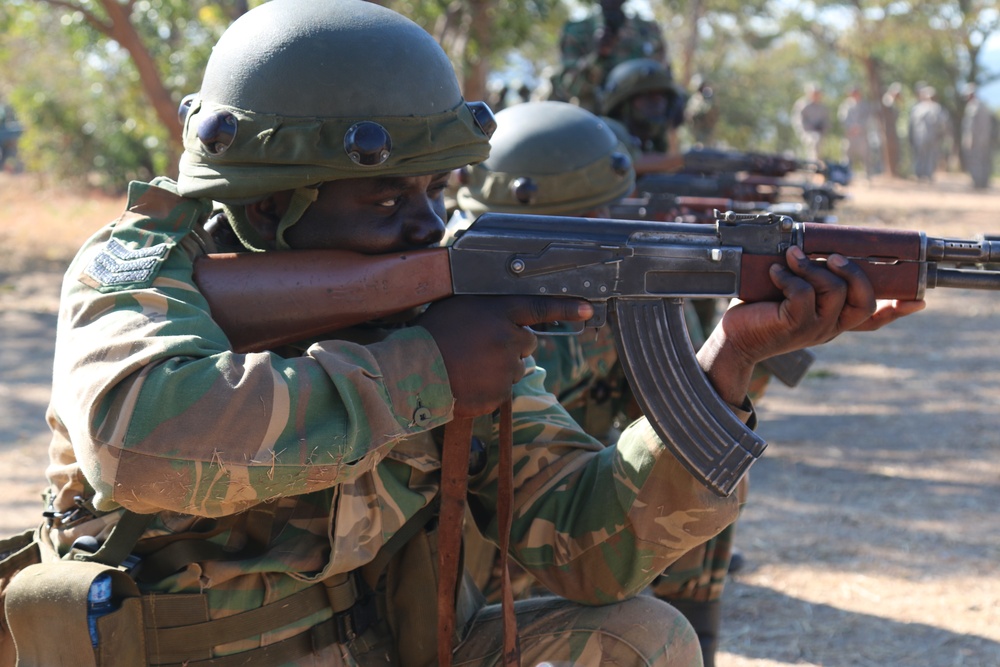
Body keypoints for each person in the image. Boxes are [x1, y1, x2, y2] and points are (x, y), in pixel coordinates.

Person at [1, 1, 923, 665]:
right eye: (387, 196)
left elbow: (590, 541)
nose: (423, 225)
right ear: (266, 201)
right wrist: (422, 371)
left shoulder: (427, 302)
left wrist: (728, 361)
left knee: (638, 638)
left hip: (373, 643)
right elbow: (140, 440)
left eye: (434, 192)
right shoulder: (143, 267)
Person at [453, 99, 749, 667]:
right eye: (594, 219)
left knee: (701, 454)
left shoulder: (615, 293)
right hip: (483, 552)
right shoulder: (459, 316)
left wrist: (731, 354)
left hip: (560, 508)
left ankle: (703, 629)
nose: (611, 229)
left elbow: (672, 428)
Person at [549, 0, 670, 115]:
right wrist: (598, 56)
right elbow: (569, 87)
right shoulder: (577, 32)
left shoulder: (649, 31)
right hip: (594, 121)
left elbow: (664, 79)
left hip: (641, 124)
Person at [602, 57, 688, 169]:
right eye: (648, 95)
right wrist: (685, 159)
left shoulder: (653, 141)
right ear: (624, 102)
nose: (658, 102)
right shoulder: (608, 129)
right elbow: (630, 163)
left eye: (661, 96)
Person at [908, 85, 949, 182]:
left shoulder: (917, 108)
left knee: (919, 156)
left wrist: (911, 137)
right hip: (933, 138)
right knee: (930, 157)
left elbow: (911, 125)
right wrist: (942, 135)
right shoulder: (937, 108)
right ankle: (928, 175)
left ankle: (919, 175)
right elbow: (944, 124)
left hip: (919, 137)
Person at [960, 83, 995, 190]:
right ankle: (984, 183)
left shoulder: (972, 106)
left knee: (975, 161)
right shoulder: (984, 105)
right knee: (984, 161)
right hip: (986, 139)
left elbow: (971, 125)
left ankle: (977, 182)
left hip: (976, 140)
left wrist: (969, 139)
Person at [838, 87, 874, 180]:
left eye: (856, 92)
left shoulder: (865, 105)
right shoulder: (846, 105)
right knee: (847, 157)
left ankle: (867, 177)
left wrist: (860, 127)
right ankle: (846, 177)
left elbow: (869, 118)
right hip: (849, 136)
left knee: (866, 156)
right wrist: (850, 128)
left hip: (862, 135)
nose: (854, 94)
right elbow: (842, 118)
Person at [791, 83, 831, 162]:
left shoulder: (822, 107)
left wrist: (823, 129)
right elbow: (797, 121)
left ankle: (815, 163)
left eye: (818, 93)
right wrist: (805, 131)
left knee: (818, 144)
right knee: (814, 140)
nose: (816, 95)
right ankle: (812, 164)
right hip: (806, 132)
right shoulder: (802, 104)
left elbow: (827, 121)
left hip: (820, 133)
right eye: (814, 93)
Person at [684, 74, 719, 148]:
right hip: (697, 128)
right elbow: (689, 114)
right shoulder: (695, 99)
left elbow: (714, 115)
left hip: (706, 129)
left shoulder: (710, 100)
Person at [880, 82, 905, 177]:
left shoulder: (894, 101)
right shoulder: (887, 99)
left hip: (892, 130)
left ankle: (895, 172)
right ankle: (888, 172)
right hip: (887, 130)